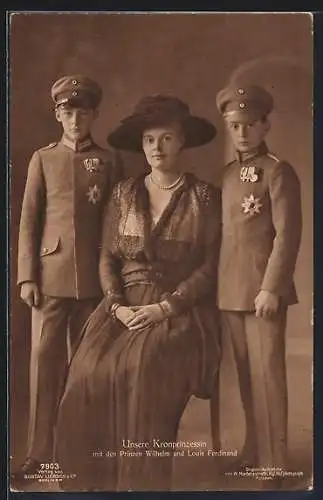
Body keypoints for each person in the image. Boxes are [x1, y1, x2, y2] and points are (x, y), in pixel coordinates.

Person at [54, 94, 222, 491]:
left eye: (166, 139)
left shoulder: (204, 198)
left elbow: (210, 267)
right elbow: (107, 257)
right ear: (141, 145)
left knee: (143, 369)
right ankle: (90, 479)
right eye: (150, 140)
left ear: (182, 143)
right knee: (86, 371)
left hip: (180, 310)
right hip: (123, 304)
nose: (157, 148)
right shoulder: (123, 193)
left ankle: (140, 483)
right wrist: (116, 305)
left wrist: (166, 307)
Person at [12, 75, 123, 489]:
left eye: (83, 112)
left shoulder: (110, 162)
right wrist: (27, 276)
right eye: (67, 112)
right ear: (57, 114)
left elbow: (115, 224)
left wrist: (115, 281)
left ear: (94, 114)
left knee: (87, 370)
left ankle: (79, 454)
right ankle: (39, 455)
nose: (75, 119)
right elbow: (28, 222)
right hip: (50, 278)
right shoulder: (43, 158)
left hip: (95, 283)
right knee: (45, 365)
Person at [211, 83, 302, 486]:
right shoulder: (228, 174)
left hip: (263, 291)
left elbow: (288, 235)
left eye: (250, 124)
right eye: (235, 125)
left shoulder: (278, 171)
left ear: (265, 125)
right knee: (247, 377)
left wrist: (271, 288)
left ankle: (276, 463)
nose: (243, 132)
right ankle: (253, 449)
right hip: (229, 290)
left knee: (268, 377)